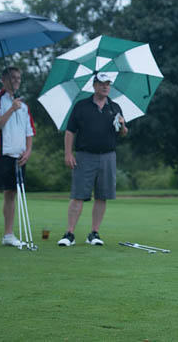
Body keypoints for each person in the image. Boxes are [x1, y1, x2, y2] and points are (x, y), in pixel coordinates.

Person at [58, 72, 127, 247]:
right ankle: (69, 234)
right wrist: (68, 153)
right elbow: (70, 131)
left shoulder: (115, 107)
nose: (105, 87)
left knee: (102, 196)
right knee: (78, 195)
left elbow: (123, 133)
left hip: (108, 156)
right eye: (102, 83)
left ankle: (94, 233)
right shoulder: (81, 106)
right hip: (85, 156)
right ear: (94, 85)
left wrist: (122, 125)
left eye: (108, 84)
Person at [0, 67, 35, 248]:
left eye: (18, 78)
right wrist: (11, 109)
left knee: (11, 194)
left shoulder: (24, 106)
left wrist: (28, 151)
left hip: (18, 156)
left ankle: (8, 235)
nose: (16, 80)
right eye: (12, 77)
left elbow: (29, 132)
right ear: (3, 80)